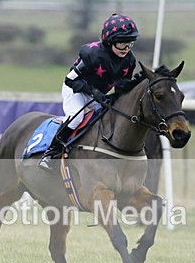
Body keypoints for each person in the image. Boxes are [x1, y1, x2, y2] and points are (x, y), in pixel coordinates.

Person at [38, 13, 139, 171]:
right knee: (76, 118)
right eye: (122, 43)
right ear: (110, 41)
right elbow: (70, 80)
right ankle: (50, 153)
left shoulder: (129, 60)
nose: (126, 49)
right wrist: (96, 94)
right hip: (75, 90)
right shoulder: (93, 54)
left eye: (130, 44)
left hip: (97, 96)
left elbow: (121, 87)